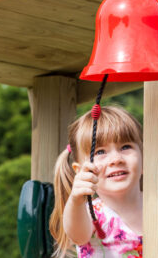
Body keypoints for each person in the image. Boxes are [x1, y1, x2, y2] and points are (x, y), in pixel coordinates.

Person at [50, 106, 143, 258]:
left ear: (143, 159)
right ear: (81, 171)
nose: (116, 159)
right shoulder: (91, 213)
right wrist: (76, 201)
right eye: (100, 152)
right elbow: (77, 235)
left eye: (125, 147)